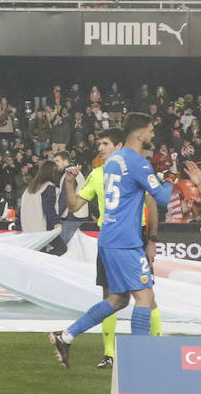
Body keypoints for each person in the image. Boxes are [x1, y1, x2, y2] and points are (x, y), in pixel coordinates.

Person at [51, 114, 197, 368]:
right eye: (150, 130)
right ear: (140, 134)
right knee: (145, 297)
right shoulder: (138, 163)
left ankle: (65, 336)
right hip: (126, 241)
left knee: (118, 299)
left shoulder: (111, 162)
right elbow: (161, 199)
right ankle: (140, 360)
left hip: (108, 237)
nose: (152, 135)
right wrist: (171, 180)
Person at [60, 128, 154, 368]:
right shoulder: (99, 173)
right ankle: (116, 354)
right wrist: (69, 183)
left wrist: (151, 238)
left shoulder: (129, 168)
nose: (99, 148)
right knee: (137, 297)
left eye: (105, 143)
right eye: (99, 143)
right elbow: (74, 206)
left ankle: (67, 336)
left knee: (125, 299)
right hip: (118, 241)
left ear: (119, 145)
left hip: (131, 238)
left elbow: (151, 203)